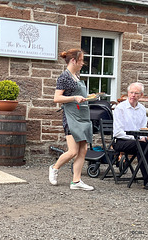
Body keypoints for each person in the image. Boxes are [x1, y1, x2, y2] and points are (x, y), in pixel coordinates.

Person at [49, 49, 94, 191]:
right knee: (73, 151)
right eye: (81, 60)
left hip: (82, 115)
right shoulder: (64, 77)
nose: (82, 63)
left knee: (83, 149)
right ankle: (54, 167)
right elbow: (57, 98)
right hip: (71, 117)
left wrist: (87, 97)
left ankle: (76, 181)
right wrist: (74, 98)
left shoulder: (76, 76)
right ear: (73, 60)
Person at [113, 82, 148, 190]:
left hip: (138, 140)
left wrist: (141, 137)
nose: (133, 95)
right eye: (131, 92)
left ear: (141, 95)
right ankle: (147, 180)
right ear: (128, 93)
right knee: (143, 146)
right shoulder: (120, 108)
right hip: (121, 141)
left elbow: (144, 129)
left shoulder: (142, 109)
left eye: (136, 93)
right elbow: (118, 132)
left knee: (145, 145)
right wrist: (138, 138)